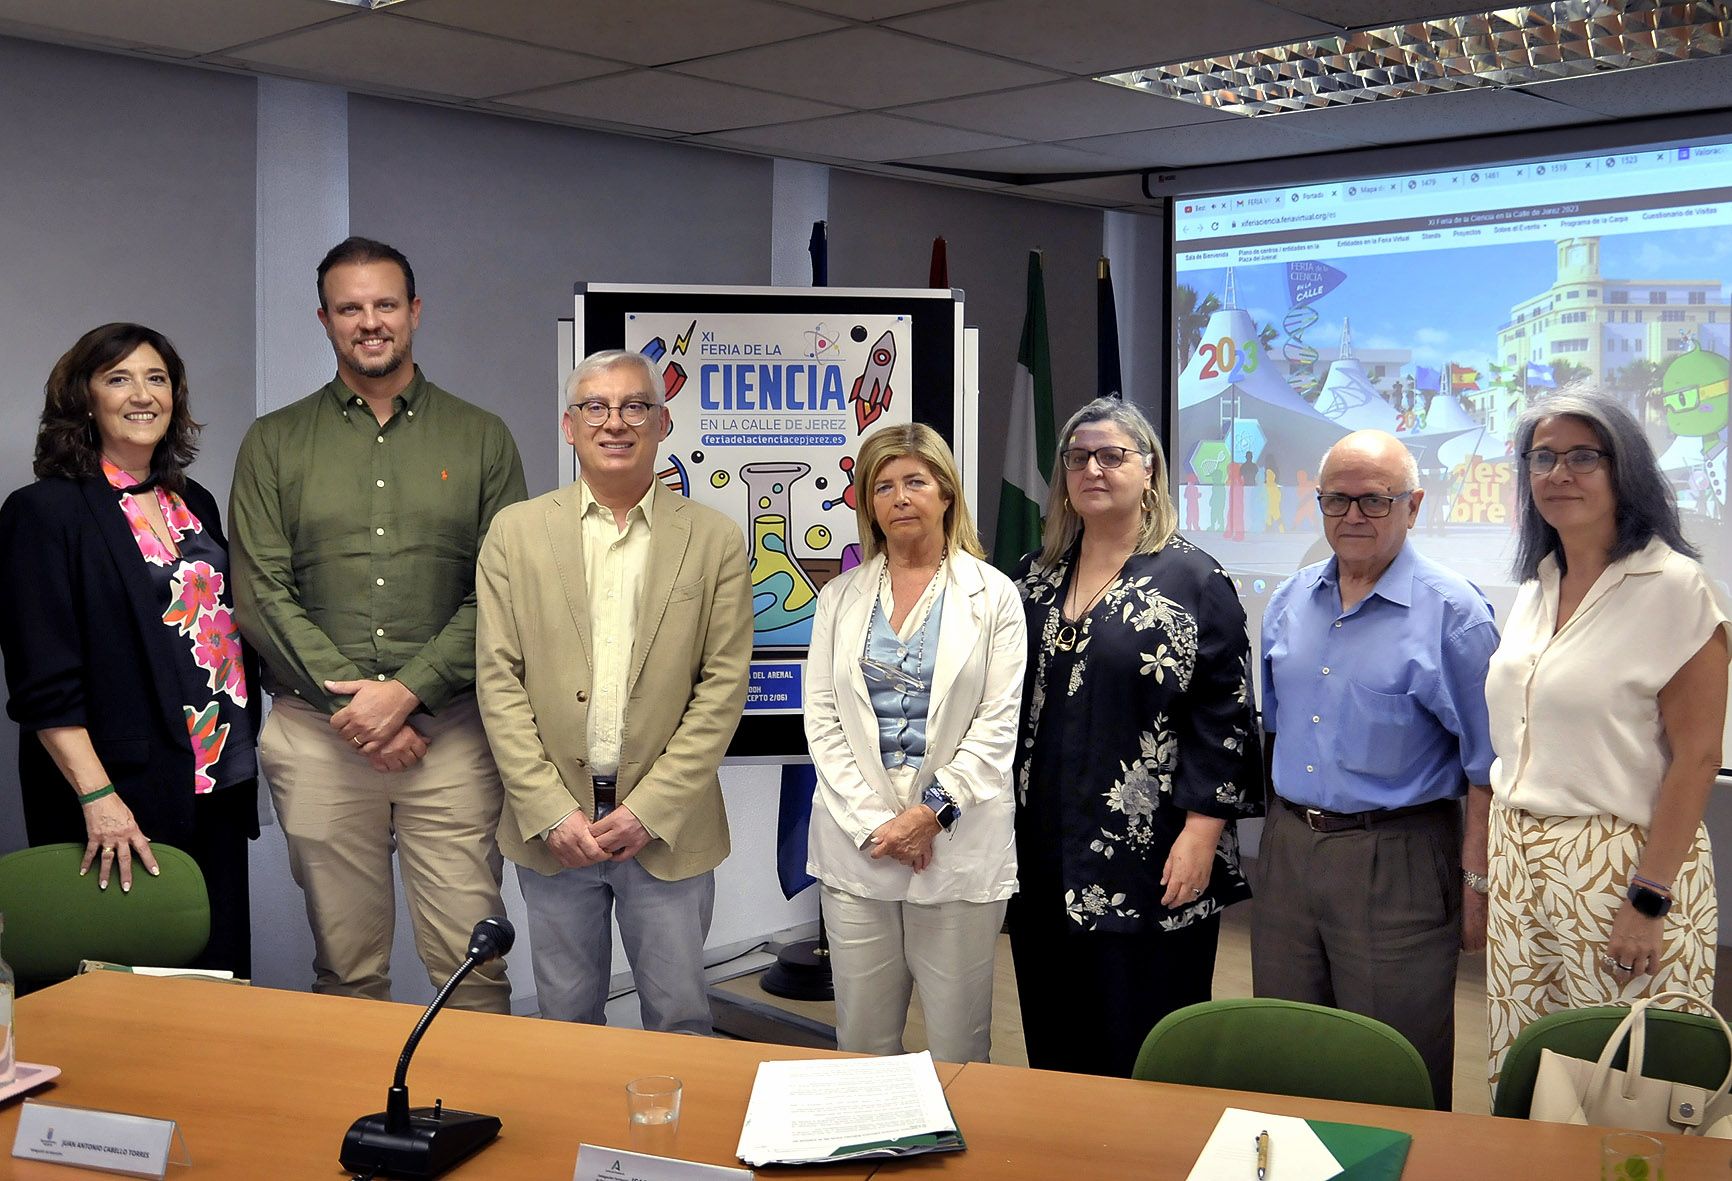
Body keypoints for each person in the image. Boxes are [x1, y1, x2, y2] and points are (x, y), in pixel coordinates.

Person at [231, 237, 526, 1011]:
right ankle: (360, 1094)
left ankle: (476, 1087)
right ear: (325, 319)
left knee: (474, 966)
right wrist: (360, 711)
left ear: (415, 311)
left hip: (451, 736)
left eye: (385, 304)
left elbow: (502, 591)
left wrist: (406, 693)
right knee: (346, 970)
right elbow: (261, 592)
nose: (370, 322)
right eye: (350, 307)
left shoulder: (482, 436)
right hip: (317, 736)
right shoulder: (274, 441)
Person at [476, 349, 751, 1034]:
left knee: (681, 1018)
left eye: (634, 406)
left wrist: (650, 809)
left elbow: (722, 687)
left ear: (662, 423)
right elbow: (498, 679)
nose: (615, 422)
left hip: (668, 830)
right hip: (555, 831)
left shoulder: (714, 538)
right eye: (595, 407)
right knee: (566, 1023)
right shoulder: (515, 533)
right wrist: (548, 809)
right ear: (569, 426)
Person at [1010, 397, 1260, 1078]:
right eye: (1078, 457)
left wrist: (1202, 833)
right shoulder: (1034, 577)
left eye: (1112, 455)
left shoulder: (1195, 579)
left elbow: (1227, 714)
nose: (1093, 469)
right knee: (1055, 1039)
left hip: (1154, 856)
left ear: (1149, 470)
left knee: (1145, 1045)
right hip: (1043, 854)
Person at [1484, 391, 1728, 1087]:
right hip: (1518, 855)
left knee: (1625, 1080)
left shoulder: (1676, 587)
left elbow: (1698, 758)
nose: (1559, 473)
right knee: (1529, 1067)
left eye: (1583, 456)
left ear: (1627, 470)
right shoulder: (1539, 583)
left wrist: (1648, 900)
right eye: (1543, 458)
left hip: (1621, 864)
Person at [0, 324, 260, 975]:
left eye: (156, 378)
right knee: (118, 991)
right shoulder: (44, 512)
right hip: (117, 794)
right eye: (118, 378)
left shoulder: (193, 502)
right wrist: (99, 799)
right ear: (84, 400)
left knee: (217, 976)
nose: (142, 394)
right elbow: (42, 682)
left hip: (215, 781)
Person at [1256, 429, 1497, 1110]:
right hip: (1290, 849)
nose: (1353, 515)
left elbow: (1489, 767)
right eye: (1337, 500)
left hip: (1399, 858)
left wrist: (1477, 884)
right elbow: (1275, 730)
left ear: (1412, 506)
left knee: (1393, 1065)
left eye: (1375, 500)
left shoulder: (1455, 615)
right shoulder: (1288, 601)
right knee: (1286, 1051)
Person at [804, 424, 1025, 1063]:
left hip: (956, 843)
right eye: (883, 487)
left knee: (959, 1044)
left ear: (946, 493)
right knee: (862, 1042)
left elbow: (997, 726)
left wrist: (930, 814)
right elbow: (823, 720)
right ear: (868, 504)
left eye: (915, 482)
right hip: (860, 844)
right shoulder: (839, 597)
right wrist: (880, 825)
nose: (900, 498)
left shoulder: (994, 596)